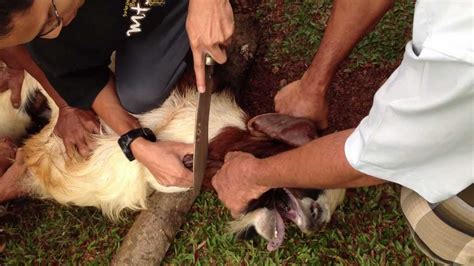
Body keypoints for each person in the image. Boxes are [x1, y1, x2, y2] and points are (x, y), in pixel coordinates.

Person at [212, 0, 473, 264]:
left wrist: (254, 175)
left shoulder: (460, 58)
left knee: (434, 223)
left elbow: (376, 157)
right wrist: (313, 84)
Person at [0, 0, 234, 189]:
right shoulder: (48, 35)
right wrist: (138, 145)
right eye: (37, 34)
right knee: (139, 95)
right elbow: (86, 81)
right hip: (141, 18)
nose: (55, 31)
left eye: (50, 17)